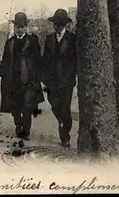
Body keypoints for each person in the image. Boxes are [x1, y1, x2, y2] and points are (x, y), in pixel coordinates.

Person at [0, 12, 44, 141]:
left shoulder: (32, 42)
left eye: (22, 27)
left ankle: (26, 130)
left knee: (27, 107)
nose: (19, 29)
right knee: (15, 107)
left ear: (26, 27)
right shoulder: (10, 43)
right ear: (14, 27)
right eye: (17, 27)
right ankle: (18, 124)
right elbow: (5, 60)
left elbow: (38, 61)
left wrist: (37, 76)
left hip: (28, 80)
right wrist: (3, 74)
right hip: (13, 80)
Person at [42, 9, 77, 148]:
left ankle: (65, 135)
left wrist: (72, 75)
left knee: (65, 107)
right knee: (54, 104)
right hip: (51, 80)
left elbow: (75, 59)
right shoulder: (49, 38)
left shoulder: (72, 38)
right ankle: (63, 123)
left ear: (65, 25)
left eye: (60, 24)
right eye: (55, 24)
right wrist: (43, 77)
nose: (57, 27)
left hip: (66, 80)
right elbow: (45, 58)